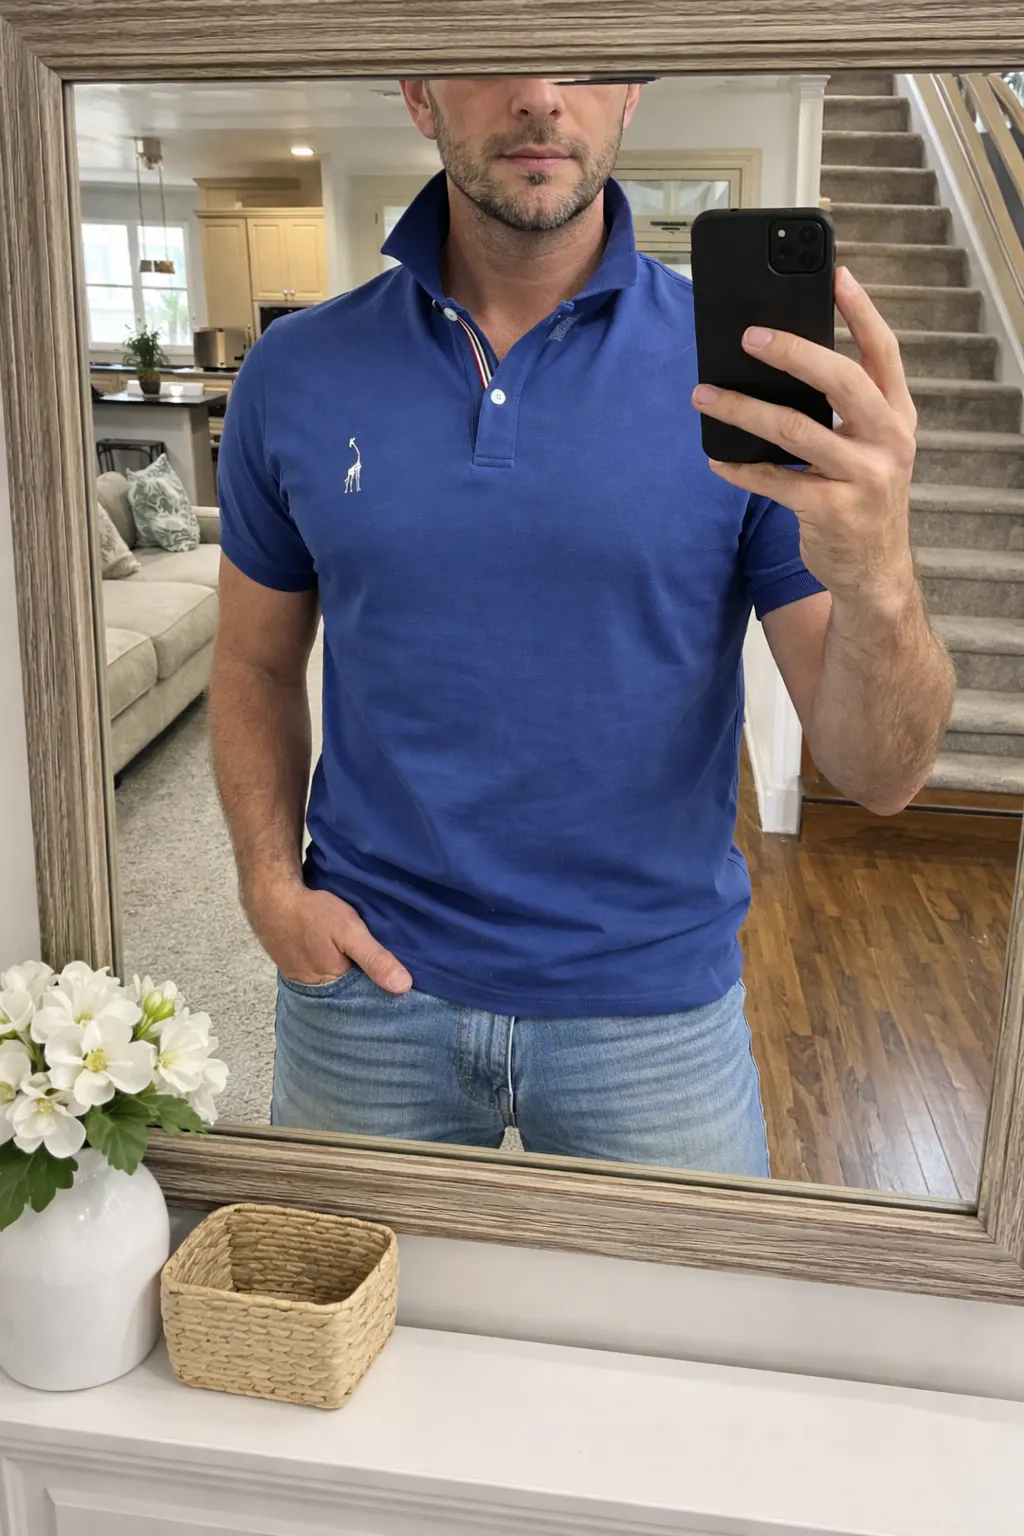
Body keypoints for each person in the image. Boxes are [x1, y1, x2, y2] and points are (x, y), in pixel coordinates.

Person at [211, 76, 955, 1175]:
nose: (541, 96)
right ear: (418, 92)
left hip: (653, 1015)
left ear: (632, 91)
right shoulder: (296, 370)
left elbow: (880, 775)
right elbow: (255, 665)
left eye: (582, 52)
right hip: (367, 993)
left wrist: (882, 571)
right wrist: (271, 888)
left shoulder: (741, 387)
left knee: (690, 1299)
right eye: (496, 46)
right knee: (343, 1296)